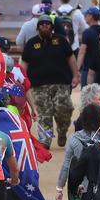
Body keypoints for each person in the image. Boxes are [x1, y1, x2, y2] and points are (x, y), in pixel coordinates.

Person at [21, 16, 79, 146]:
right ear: (38, 27)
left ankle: (62, 132)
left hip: (61, 84)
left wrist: (75, 75)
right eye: (42, 24)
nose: (45, 26)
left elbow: (71, 58)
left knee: (64, 110)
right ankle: (45, 140)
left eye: (47, 23)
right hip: (38, 86)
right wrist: (22, 81)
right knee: (43, 114)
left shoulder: (61, 40)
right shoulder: (31, 43)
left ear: (51, 26)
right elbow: (24, 63)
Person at [77, 7, 100, 86]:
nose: (85, 17)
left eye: (86, 15)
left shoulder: (87, 32)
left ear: (91, 16)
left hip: (88, 69)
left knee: (87, 94)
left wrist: (77, 69)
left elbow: (82, 51)